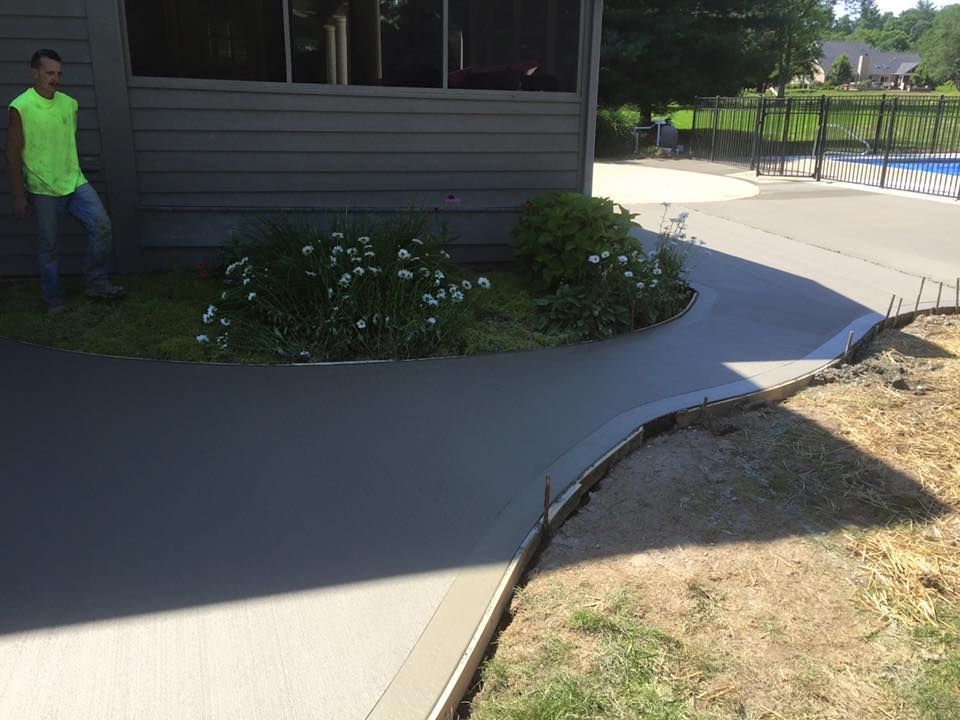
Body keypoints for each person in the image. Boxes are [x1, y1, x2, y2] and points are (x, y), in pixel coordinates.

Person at [5, 48, 125, 314]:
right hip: (42, 187)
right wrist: (18, 195)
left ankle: (96, 282)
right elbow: (12, 154)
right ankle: (53, 299)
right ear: (35, 72)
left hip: (74, 181)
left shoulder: (70, 104)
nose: (55, 78)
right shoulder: (20, 107)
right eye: (49, 73)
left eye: (58, 73)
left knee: (102, 226)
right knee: (49, 246)